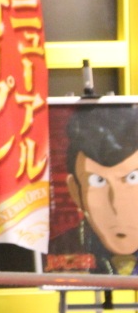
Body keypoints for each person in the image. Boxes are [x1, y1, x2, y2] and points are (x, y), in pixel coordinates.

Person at [49, 105, 138, 275]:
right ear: (75, 192)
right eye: (98, 181)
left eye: (133, 178)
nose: (116, 204)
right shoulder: (62, 251)